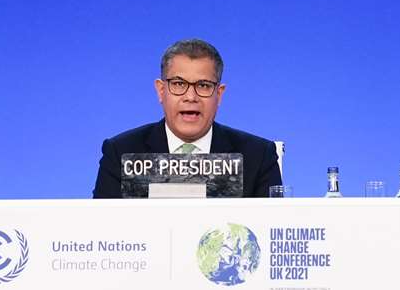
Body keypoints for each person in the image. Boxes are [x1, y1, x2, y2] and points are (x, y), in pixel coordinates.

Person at [93, 38, 282, 198]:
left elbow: (270, 231)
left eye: (204, 85)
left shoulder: (258, 157)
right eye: (178, 84)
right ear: (161, 90)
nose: (191, 97)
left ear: (219, 94)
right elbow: (103, 229)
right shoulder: (121, 153)